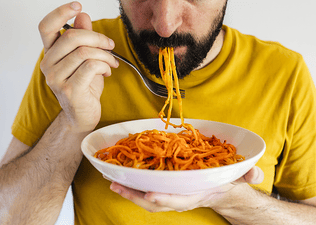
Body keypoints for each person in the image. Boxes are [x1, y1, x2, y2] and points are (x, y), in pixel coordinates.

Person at [0, 0, 315, 224]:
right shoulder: (77, 61)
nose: (165, 25)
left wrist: (229, 197)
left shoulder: (283, 73)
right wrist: (72, 124)